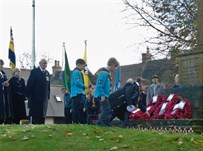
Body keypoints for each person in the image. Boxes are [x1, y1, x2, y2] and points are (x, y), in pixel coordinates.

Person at [94, 57, 119, 126]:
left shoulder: (107, 74)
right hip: (101, 95)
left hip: (105, 95)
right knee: (106, 109)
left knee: (108, 109)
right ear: (112, 64)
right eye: (115, 66)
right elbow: (99, 85)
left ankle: (106, 122)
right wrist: (102, 95)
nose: (115, 69)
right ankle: (101, 122)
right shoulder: (103, 74)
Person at [26, 58, 50, 124]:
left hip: (44, 97)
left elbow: (48, 86)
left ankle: (42, 124)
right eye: (44, 63)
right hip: (35, 96)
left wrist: (48, 95)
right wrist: (27, 94)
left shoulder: (47, 73)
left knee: (43, 113)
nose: (45, 65)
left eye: (46, 63)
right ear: (40, 63)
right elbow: (30, 83)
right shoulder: (34, 71)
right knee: (36, 113)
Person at [70, 58, 87, 124]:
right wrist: (84, 85)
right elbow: (77, 82)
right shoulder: (76, 72)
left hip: (78, 92)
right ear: (78, 65)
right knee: (76, 108)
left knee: (78, 108)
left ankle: (77, 121)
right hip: (77, 93)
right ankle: (75, 121)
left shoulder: (77, 72)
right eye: (83, 66)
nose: (83, 68)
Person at [0, 59, 9, 124]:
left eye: (2, 65)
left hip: (3, 93)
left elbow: (6, 80)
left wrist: (7, 84)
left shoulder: (3, 73)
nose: (2, 66)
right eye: (0, 65)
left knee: (3, 107)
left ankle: (2, 119)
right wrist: (1, 84)